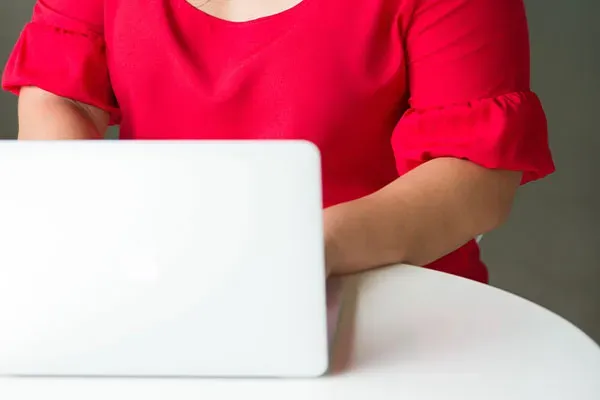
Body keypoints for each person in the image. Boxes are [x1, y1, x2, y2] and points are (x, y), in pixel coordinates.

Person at [2, 0, 554, 282]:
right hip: (159, 278)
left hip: (385, 291)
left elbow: (474, 177)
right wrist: (81, 229)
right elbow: (61, 95)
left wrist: (297, 253)